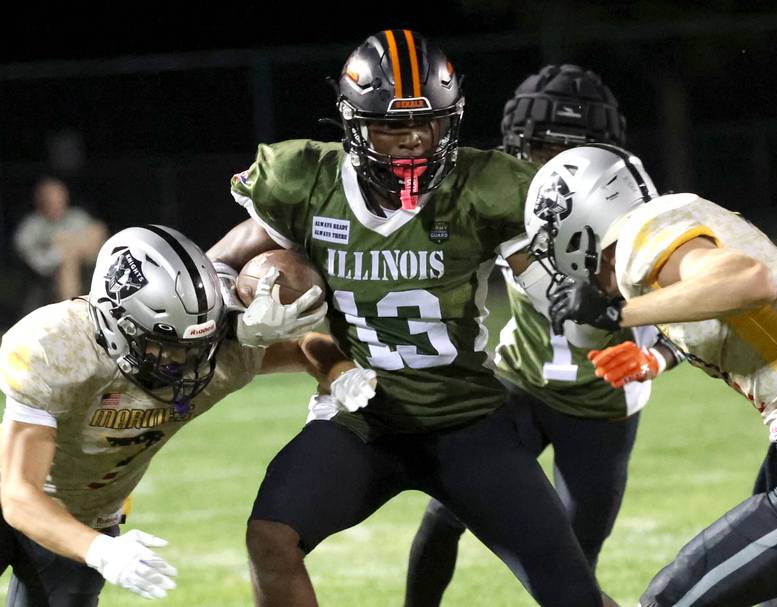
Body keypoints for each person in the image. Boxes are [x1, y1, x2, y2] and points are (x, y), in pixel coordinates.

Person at [209, 31, 616, 607]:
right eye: (393, 128)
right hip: (361, 422)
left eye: (429, 124)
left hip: (468, 422)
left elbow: (546, 282)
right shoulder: (306, 180)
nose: (415, 142)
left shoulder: (486, 185)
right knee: (270, 536)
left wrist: (578, 296)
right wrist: (241, 310)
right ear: (354, 126)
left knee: (572, 592)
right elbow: (216, 266)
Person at [403, 64, 682, 607]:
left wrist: (660, 356)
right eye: (541, 149)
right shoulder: (505, 200)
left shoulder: (638, 217)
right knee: (445, 506)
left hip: (602, 404)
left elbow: (694, 311)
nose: (554, 166)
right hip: (521, 382)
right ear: (516, 145)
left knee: (571, 566)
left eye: (571, 150)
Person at [0, 224, 373, 605]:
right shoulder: (58, 347)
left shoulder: (219, 353)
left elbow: (309, 347)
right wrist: (101, 551)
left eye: (198, 345)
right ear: (118, 324)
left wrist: (341, 376)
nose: (186, 361)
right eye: (166, 346)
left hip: (88, 513)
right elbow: (16, 495)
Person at [528, 143, 777, 606]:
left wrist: (618, 312)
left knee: (670, 599)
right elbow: (724, 310)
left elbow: (748, 283)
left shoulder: (638, 235)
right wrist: (655, 356)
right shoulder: (671, 228)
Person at [13, 176, 108, 313]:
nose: (58, 202)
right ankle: (74, 312)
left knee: (98, 229)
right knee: (69, 257)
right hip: (53, 273)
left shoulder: (76, 216)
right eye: (52, 198)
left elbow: (97, 239)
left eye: (61, 197)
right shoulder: (31, 226)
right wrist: (62, 250)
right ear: (42, 201)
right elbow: (38, 264)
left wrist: (71, 243)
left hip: (90, 264)